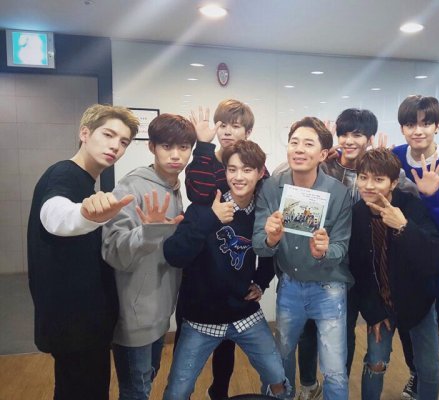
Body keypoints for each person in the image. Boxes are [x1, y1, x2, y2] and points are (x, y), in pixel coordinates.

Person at [27, 104, 139, 400]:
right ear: (85, 133)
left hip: (82, 325)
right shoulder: (65, 173)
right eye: (108, 135)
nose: (115, 146)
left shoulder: (86, 180)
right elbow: (55, 214)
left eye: (123, 141)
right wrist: (85, 215)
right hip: (74, 326)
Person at [163, 140, 287, 400]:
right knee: (177, 392)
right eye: (232, 169)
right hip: (201, 320)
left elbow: (268, 253)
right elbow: (174, 255)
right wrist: (212, 218)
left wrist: (261, 282)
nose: (238, 177)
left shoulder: (261, 213)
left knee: (278, 379)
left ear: (260, 173)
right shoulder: (203, 208)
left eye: (247, 170)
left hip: (245, 315)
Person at [253, 117, 353, 400]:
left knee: (334, 368)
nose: (299, 149)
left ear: (323, 154)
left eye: (308, 144)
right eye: (294, 142)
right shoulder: (271, 187)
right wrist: (271, 239)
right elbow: (260, 246)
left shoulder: (338, 192)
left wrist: (324, 251)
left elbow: (341, 248)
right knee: (280, 359)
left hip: (329, 288)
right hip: (290, 285)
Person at [101, 114, 195, 399]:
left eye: (183, 147)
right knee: (136, 391)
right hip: (134, 319)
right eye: (167, 146)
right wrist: (148, 232)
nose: (176, 155)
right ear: (152, 147)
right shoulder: (131, 187)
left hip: (159, 313)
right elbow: (114, 251)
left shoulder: (174, 187)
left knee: (147, 381)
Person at [182, 99, 266, 399]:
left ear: (248, 132)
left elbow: (265, 212)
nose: (228, 131)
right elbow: (198, 192)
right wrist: (204, 147)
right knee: (187, 358)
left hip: (233, 274)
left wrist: (262, 281)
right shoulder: (206, 158)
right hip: (201, 272)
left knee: (226, 348)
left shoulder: (256, 168)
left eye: (236, 126)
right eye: (223, 125)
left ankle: (218, 391)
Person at [350, 148, 439, 400]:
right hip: (380, 305)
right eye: (363, 177)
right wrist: (372, 311)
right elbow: (358, 270)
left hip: (418, 303)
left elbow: (436, 258)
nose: (368, 186)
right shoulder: (357, 214)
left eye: (378, 179)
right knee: (375, 362)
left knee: (428, 367)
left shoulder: (414, 207)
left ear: (394, 182)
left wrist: (404, 227)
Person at [391, 95, 439, 399]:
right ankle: (414, 372)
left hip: (429, 266)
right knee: (403, 327)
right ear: (402, 128)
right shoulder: (395, 157)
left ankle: (423, 376)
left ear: (437, 126)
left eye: (426, 123)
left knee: (426, 329)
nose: (418, 130)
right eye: (410, 124)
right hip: (393, 263)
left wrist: (433, 197)